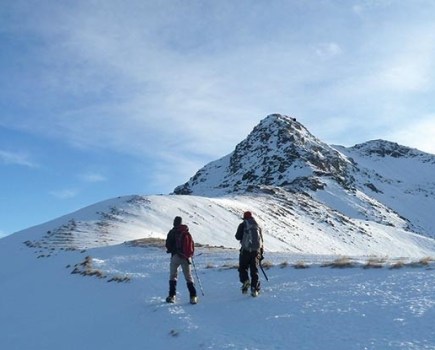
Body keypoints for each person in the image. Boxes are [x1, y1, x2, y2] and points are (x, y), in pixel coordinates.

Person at [165, 216, 198, 304]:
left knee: (173, 276)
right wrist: (189, 255)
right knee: (189, 277)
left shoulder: (172, 232)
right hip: (186, 258)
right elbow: (191, 245)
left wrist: (171, 250)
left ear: (174, 222)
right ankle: (193, 296)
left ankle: (172, 296)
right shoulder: (186, 232)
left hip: (175, 256)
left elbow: (168, 245)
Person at [235, 211, 264, 297]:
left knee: (243, 268)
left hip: (245, 251)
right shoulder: (258, 226)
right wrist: (261, 253)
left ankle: (245, 281)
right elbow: (261, 240)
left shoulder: (243, 225)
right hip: (256, 251)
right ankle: (254, 289)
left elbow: (237, 237)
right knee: (254, 270)